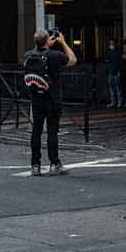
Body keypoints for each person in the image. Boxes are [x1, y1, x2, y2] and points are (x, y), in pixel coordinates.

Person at [23, 29, 77, 176]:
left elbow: (37, 51)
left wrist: (45, 44)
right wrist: (63, 42)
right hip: (52, 99)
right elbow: (72, 60)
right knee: (52, 131)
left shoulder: (28, 55)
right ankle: (54, 163)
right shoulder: (55, 55)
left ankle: (35, 165)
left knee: (36, 132)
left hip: (36, 99)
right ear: (47, 40)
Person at [106, 39, 124, 108]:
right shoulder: (109, 51)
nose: (111, 44)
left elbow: (120, 62)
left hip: (116, 72)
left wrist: (119, 71)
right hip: (110, 71)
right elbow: (107, 59)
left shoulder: (118, 51)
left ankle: (120, 102)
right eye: (110, 43)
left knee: (118, 88)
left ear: (115, 44)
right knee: (111, 88)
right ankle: (113, 102)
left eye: (112, 43)